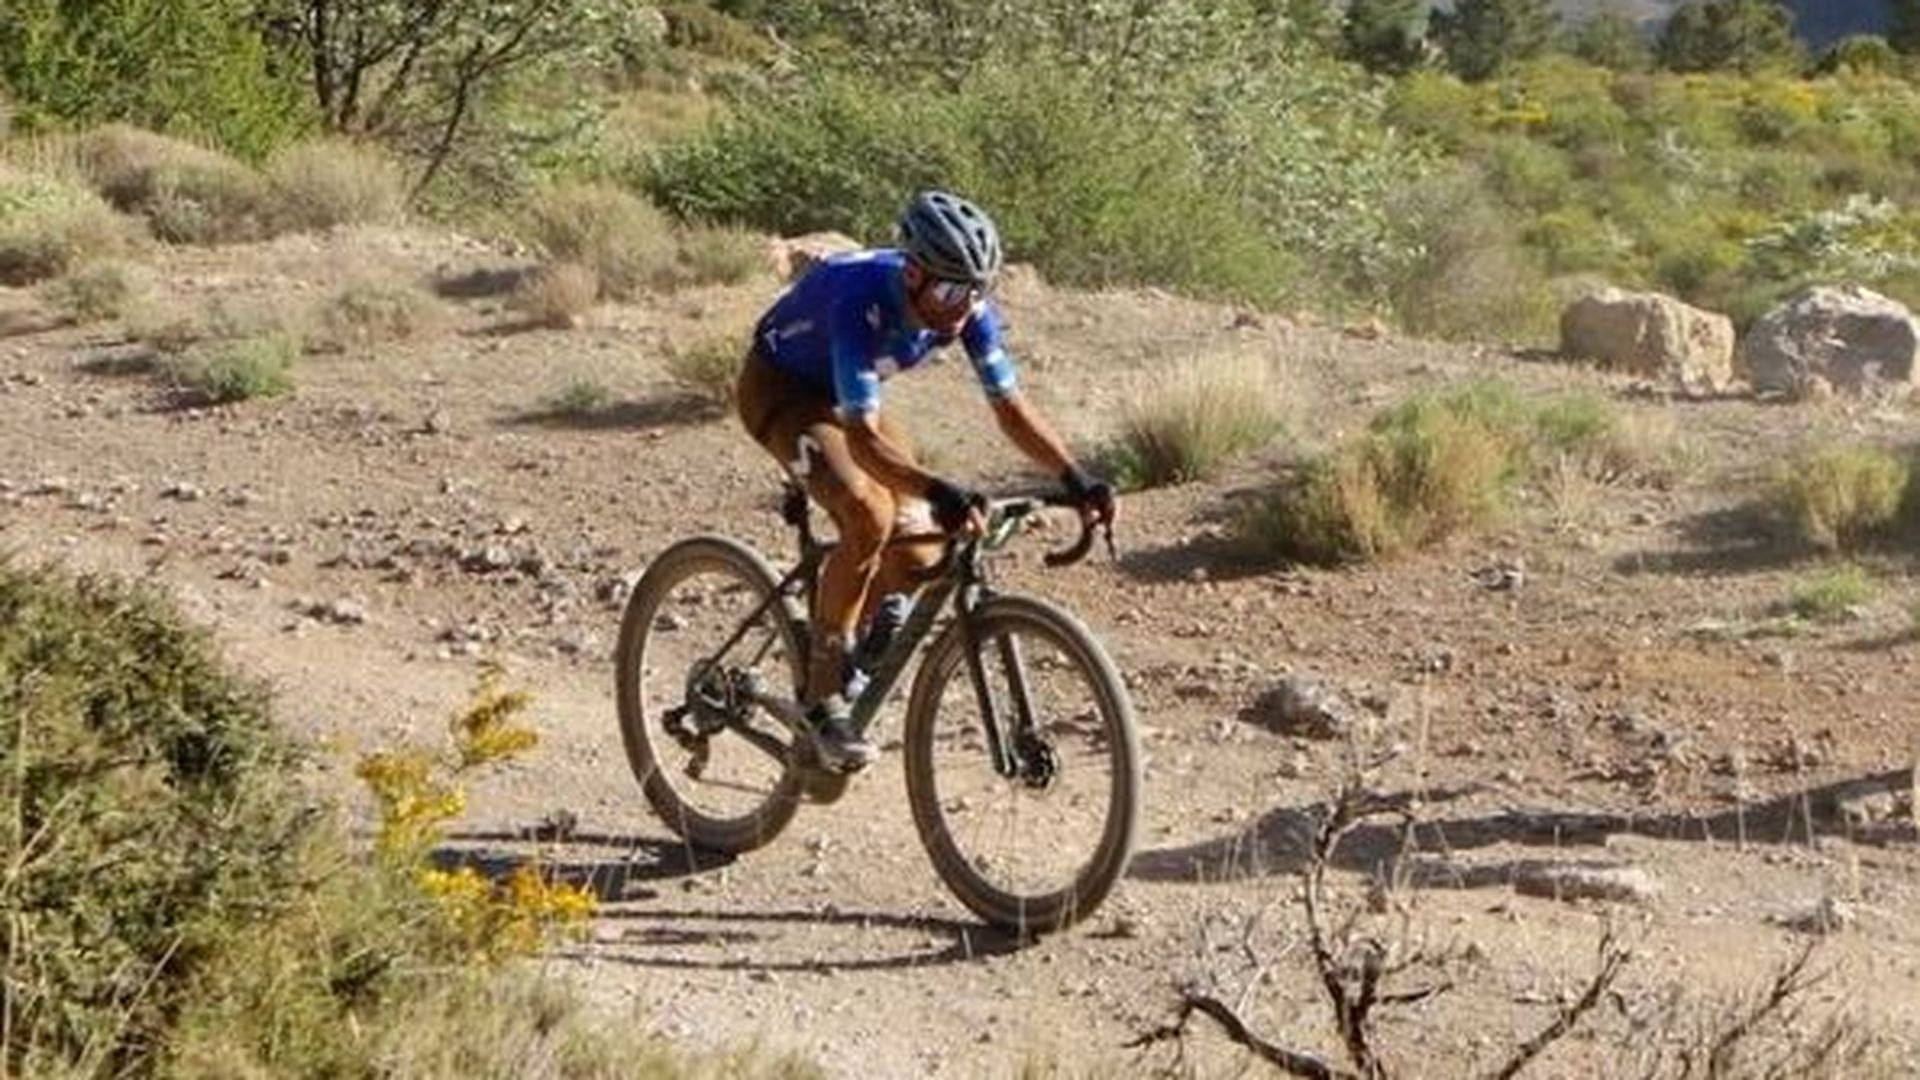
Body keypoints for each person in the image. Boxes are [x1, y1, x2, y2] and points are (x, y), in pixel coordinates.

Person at [734, 190, 1116, 771]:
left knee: (920, 549)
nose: (964, 307)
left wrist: (1076, 476)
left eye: (977, 290)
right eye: (950, 291)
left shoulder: (965, 307)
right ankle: (821, 691)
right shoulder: (859, 298)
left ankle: (863, 637)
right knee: (868, 514)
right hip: (781, 391)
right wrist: (939, 488)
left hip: (845, 396)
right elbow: (862, 439)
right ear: (913, 274)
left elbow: (1009, 407)